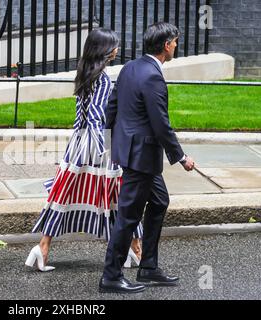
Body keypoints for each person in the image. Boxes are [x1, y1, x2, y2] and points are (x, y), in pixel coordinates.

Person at [25, 28, 144, 272]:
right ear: (104, 50)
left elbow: (81, 118)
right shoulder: (102, 78)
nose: (117, 49)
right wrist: (109, 151)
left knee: (64, 194)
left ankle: (43, 247)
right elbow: (98, 117)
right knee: (119, 194)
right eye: (114, 45)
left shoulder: (85, 74)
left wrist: (74, 149)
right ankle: (135, 248)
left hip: (81, 143)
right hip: (100, 143)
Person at [99, 22, 196, 294]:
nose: (176, 45)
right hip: (141, 157)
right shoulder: (153, 76)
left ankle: (149, 267)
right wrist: (181, 157)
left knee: (159, 201)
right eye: (175, 42)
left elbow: (112, 107)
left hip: (133, 154)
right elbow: (160, 123)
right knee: (128, 217)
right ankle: (111, 276)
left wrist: (112, 145)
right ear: (166, 46)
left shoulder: (130, 68)